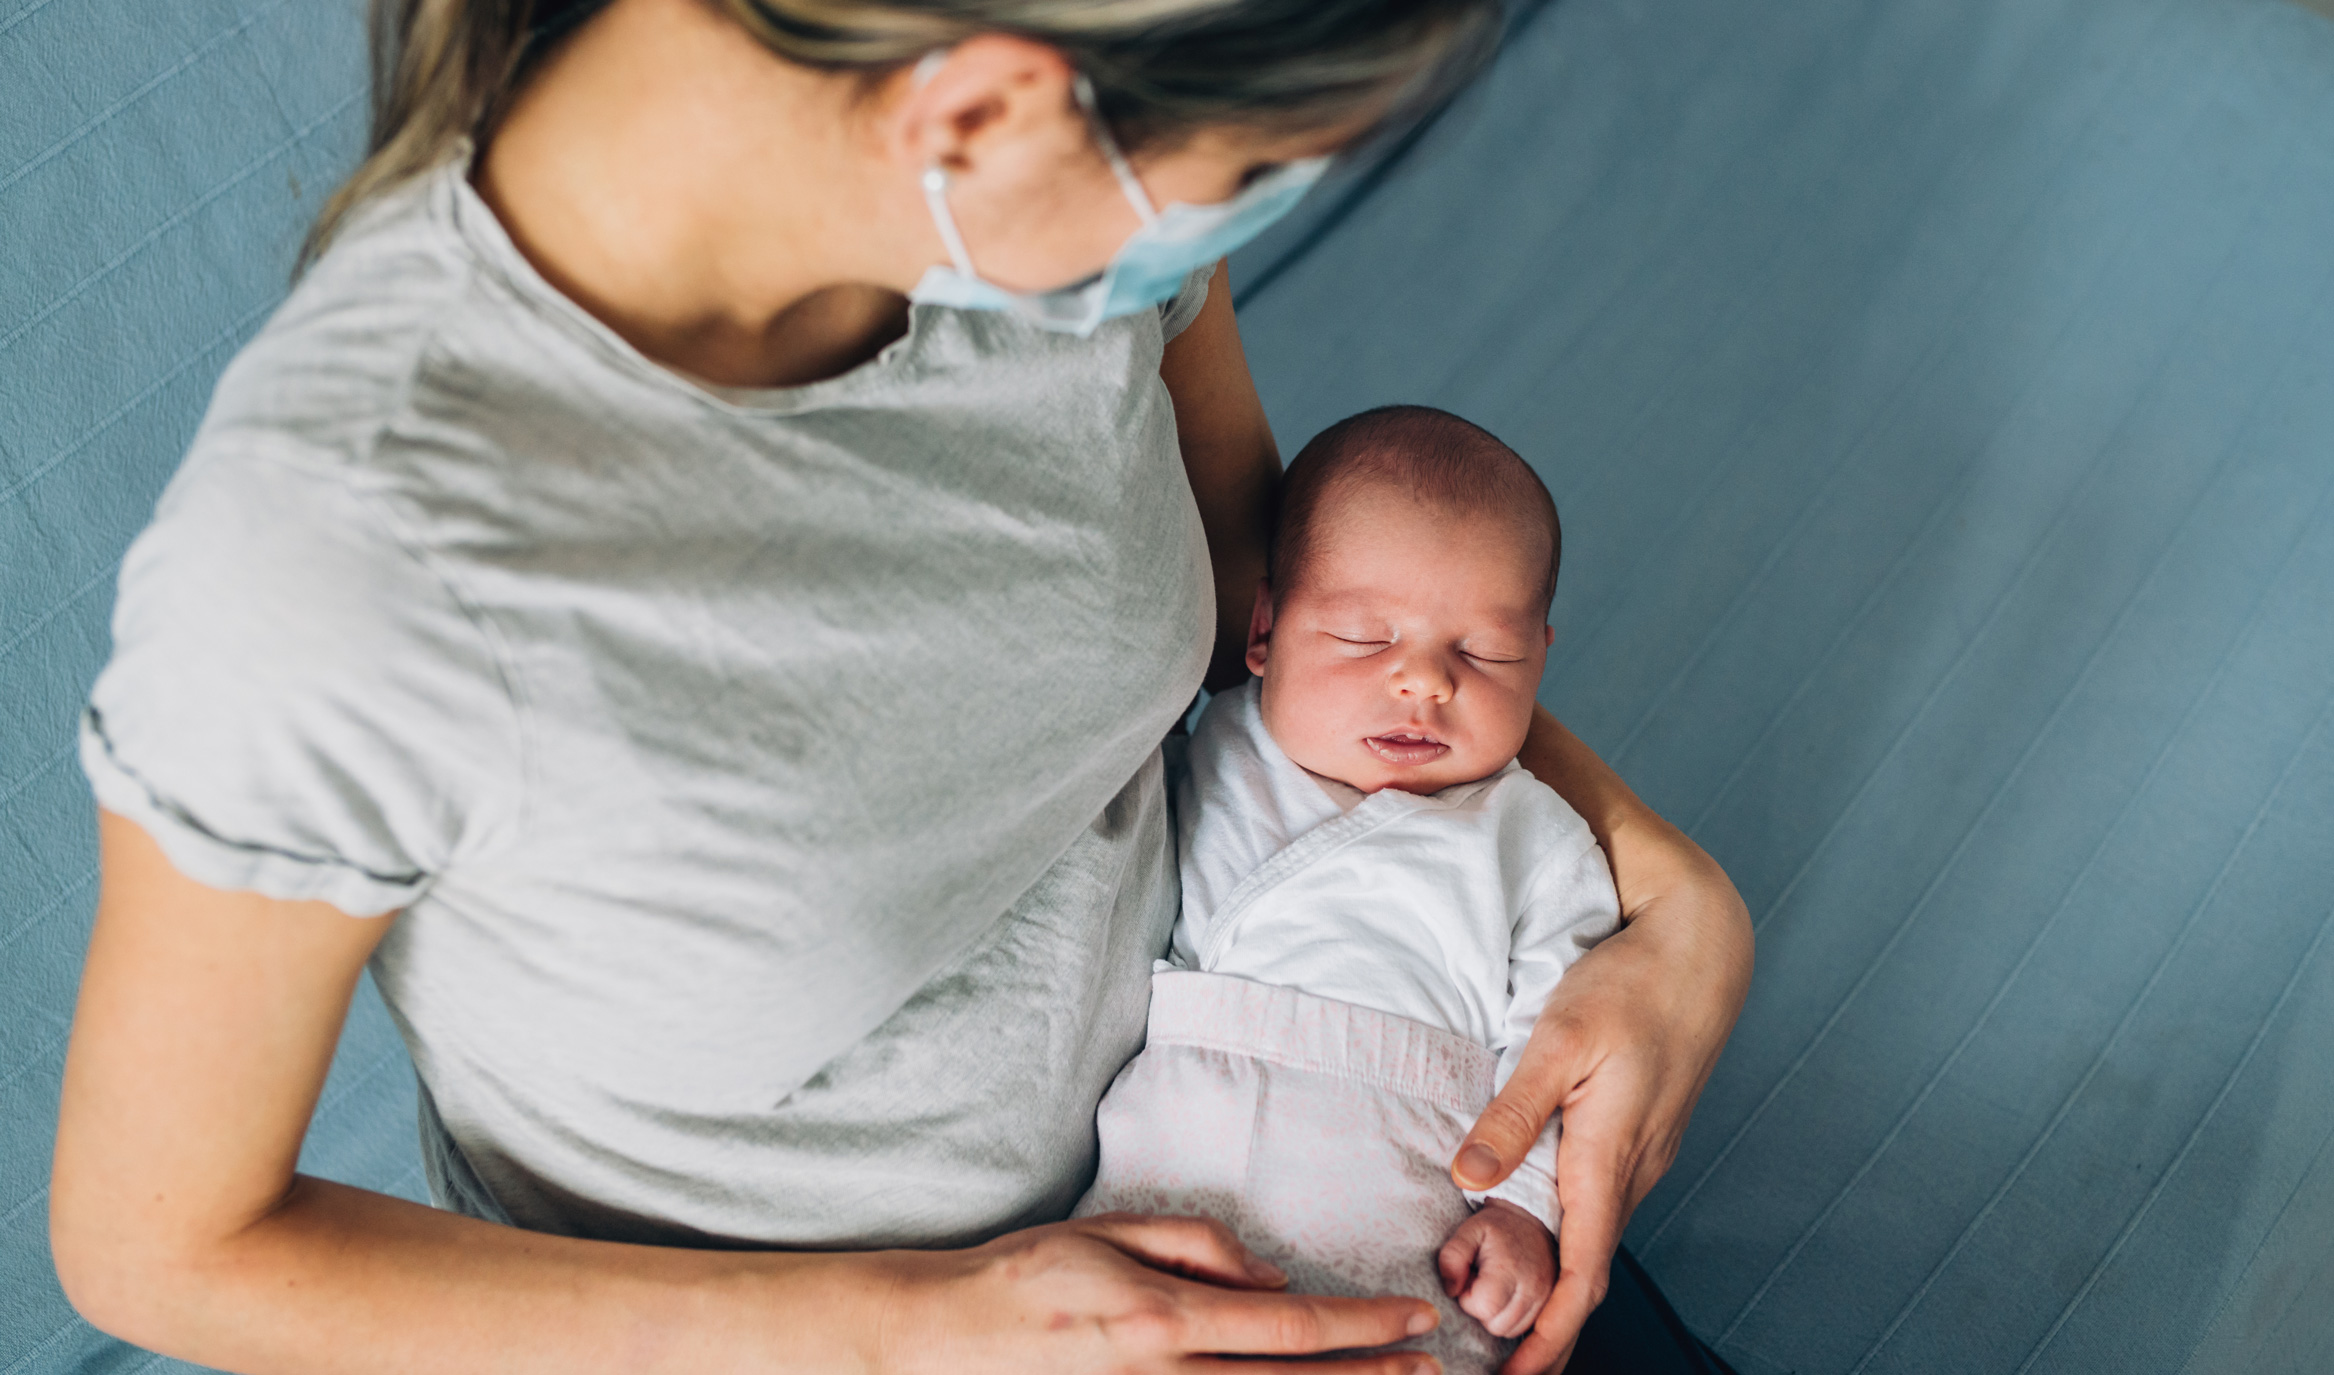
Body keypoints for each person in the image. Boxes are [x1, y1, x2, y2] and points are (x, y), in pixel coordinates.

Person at [47, 0, 1754, 1371]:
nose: (1218, 239)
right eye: (1245, 176)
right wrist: (923, 1334)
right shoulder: (347, 570)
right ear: (982, 114)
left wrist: (1660, 893)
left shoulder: (1068, 231)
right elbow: (160, 1246)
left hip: (1313, 1179)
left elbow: (1272, 606)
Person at [1077, 406, 1620, 1375]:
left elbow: (1562, 1046)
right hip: (1170, 1175)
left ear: (1540, 654)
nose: (1422, 683)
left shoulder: (1537, 837)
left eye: (1485, 654)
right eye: (1365, 637)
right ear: (1264, 630)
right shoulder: (1216, 742)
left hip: (1409, 1204)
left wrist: (1526, 1206)